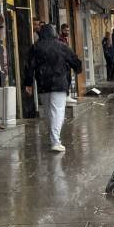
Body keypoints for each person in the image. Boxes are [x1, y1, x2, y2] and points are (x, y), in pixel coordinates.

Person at [24, 24, 82, 153]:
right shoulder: (61, 46)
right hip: (59, 84)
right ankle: (55, 141)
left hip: (43, 84)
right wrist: (78, 68)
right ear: (54, 33)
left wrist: (28, 83)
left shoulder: (35, 47)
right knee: (57, 112)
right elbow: (74, 59)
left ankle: (53, 139)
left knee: (49, 112)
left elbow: (29, 66)